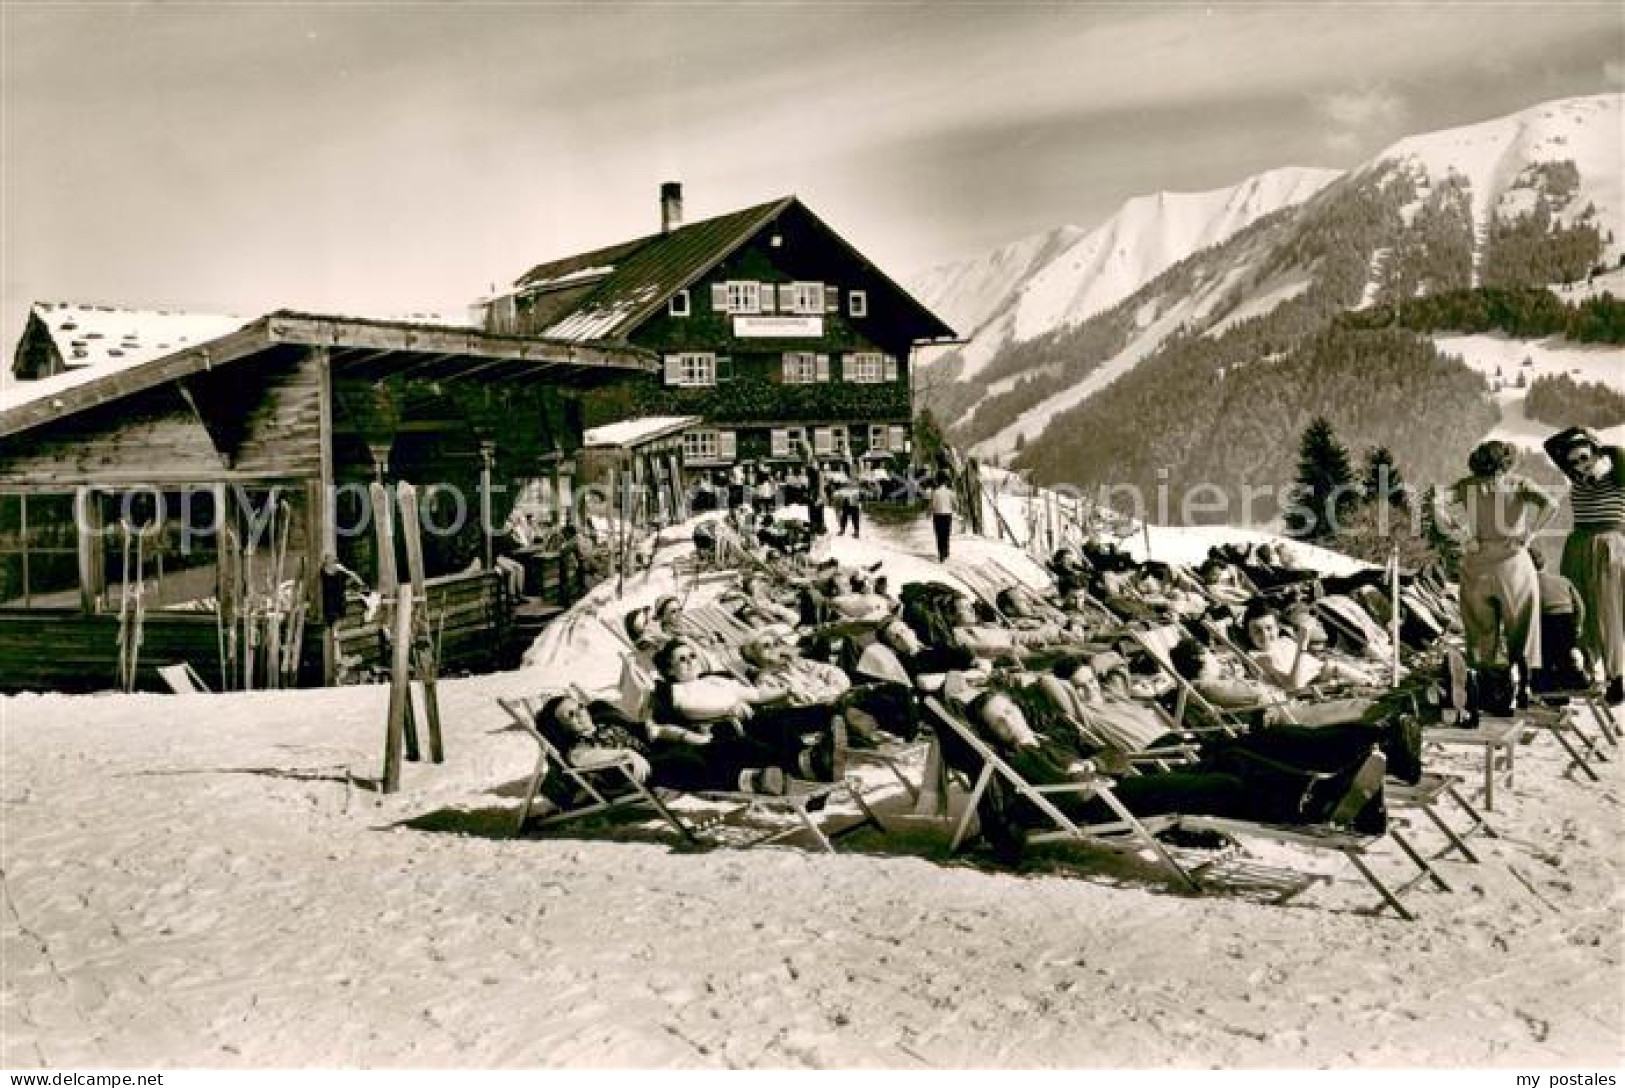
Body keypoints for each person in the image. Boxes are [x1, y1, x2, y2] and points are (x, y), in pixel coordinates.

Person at [1440, 439, 1554, 709]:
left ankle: (1486, 692)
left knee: (1480, 631)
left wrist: (1460, 534)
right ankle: (1523, 688)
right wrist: (1530, 533)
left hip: (1477, 561)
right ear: (1507, 461)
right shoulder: (1519, 484)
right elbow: (1551, 504)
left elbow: (1436, 503)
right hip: (1514, 561)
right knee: (1522, 629)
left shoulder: (1465, 487)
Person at [1543, 426, 1625, 705]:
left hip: (1607, 545)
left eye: (1583, 458)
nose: (1579, 465)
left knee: (1607, 611)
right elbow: (1550, 445)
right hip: (1578, 545)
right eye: (1574, 461)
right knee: (1577, 611)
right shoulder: (1577, 479)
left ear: (1596, 454)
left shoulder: (1617, 478)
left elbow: (1620, 454)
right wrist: (1576, 433)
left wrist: (1596, 446)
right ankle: (1582, 670)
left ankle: (1616, 677)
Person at [929, 471, 957, 562]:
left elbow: (932, 505)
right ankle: (946, 551)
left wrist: (929, 512)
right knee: (946, 534)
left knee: (939, 534)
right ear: (945, 482)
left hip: (937, 515)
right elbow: (955, 504)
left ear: (938, 481)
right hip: (947, 515)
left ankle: (941, 553)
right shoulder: (950, 492)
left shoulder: (935, 492)